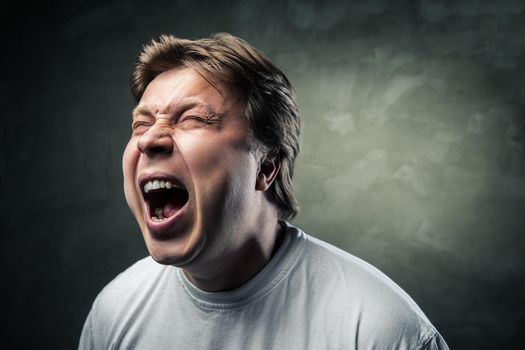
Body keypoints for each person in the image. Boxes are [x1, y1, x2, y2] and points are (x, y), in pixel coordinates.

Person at [79, 33, 449, 349]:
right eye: (141, 124)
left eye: (191, 119)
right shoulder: (115, 312)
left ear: (266, 167)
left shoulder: (376, 329)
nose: (151, 139)